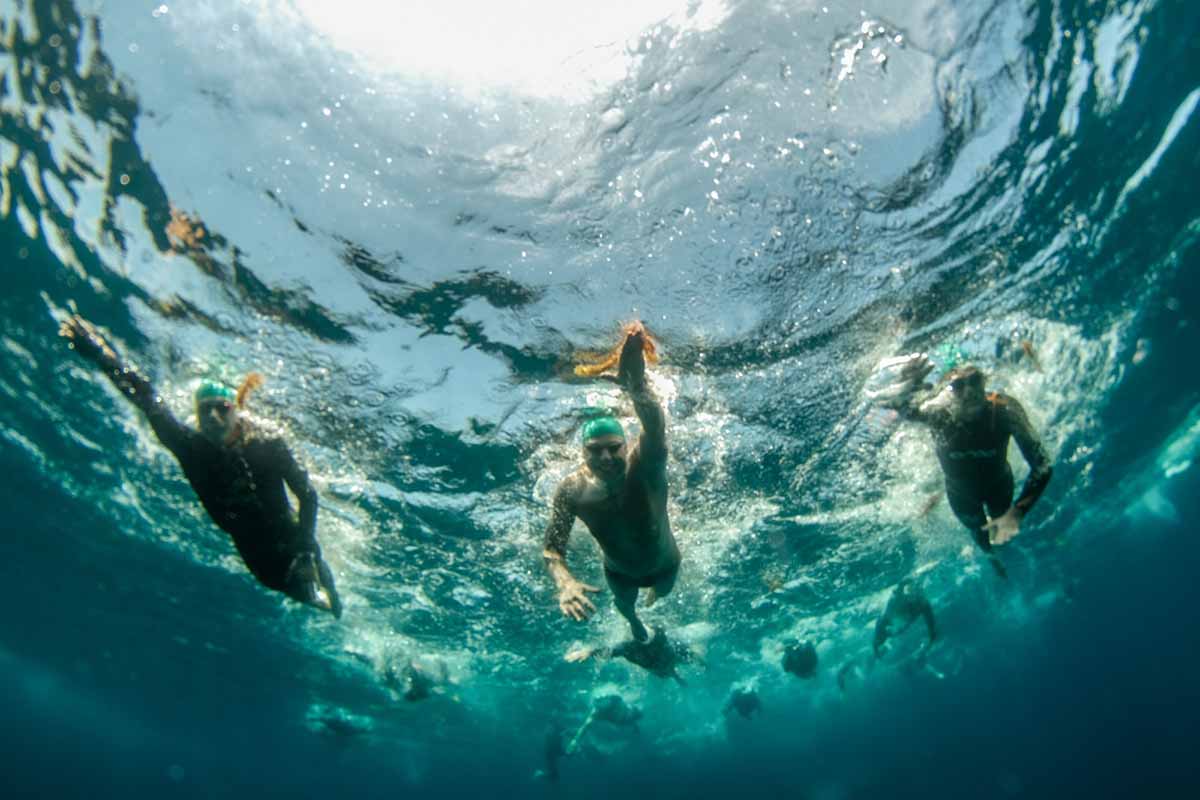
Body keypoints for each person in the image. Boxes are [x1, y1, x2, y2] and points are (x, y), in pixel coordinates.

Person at [59, 315, 341, 617]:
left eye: (223, 408)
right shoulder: (188, 447)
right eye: (205, 410)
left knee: (324, 580)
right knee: (307, 597)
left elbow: (308, 495)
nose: (214, 417)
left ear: (237, 410)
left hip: (293, 538)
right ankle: (322, 602)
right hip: (261, 561)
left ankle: (333, 596)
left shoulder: (267, 443)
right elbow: (147, 397)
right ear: (196, 416)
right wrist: (101, 353)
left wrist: (306, 548)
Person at [543, 321, 679, 642]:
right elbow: (552, 549)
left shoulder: (645, 465)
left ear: (626, 445)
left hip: (665, 566)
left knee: (661, 595)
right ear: (582, 453)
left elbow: (654, 424)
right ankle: (633, 622)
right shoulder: (573, 490)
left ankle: (651, 601)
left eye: (613, 448)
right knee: (625, 606)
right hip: (618, 573)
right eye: (595, 451)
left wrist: (636, 386)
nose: (605, 458)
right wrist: (565, 583)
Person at [876, 355, 1053, 557]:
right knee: (981, 539)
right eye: (959, 385)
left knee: (1003, 531)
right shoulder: (939, 414)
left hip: (1000, 487)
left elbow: (1042, 465)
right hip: (961, 495)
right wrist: (904, 386)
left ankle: (1004, 555)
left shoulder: (1004, 411)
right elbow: (904, 408)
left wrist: (1017, 512)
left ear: (984, 381)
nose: (968, 391)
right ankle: (993, 560)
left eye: (975, 380)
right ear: (950, 391)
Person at [565, 625, 696, 684]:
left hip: (670, 657)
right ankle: (676, 676)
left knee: (689, 657)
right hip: (657, 666)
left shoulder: (659, 635)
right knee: (667, 673)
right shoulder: (626, 647)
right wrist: (589, 651)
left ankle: (698, 664)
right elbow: (609, 651)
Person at [873, 578, 936, 659]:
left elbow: (931, 626)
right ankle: (879, 651)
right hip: (890, 621)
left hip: (894, 621)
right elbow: (931, 624)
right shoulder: (917, 603)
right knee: (883, 637)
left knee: (886, 634)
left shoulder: (923, 604)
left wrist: (930, 642)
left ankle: (880, 650)